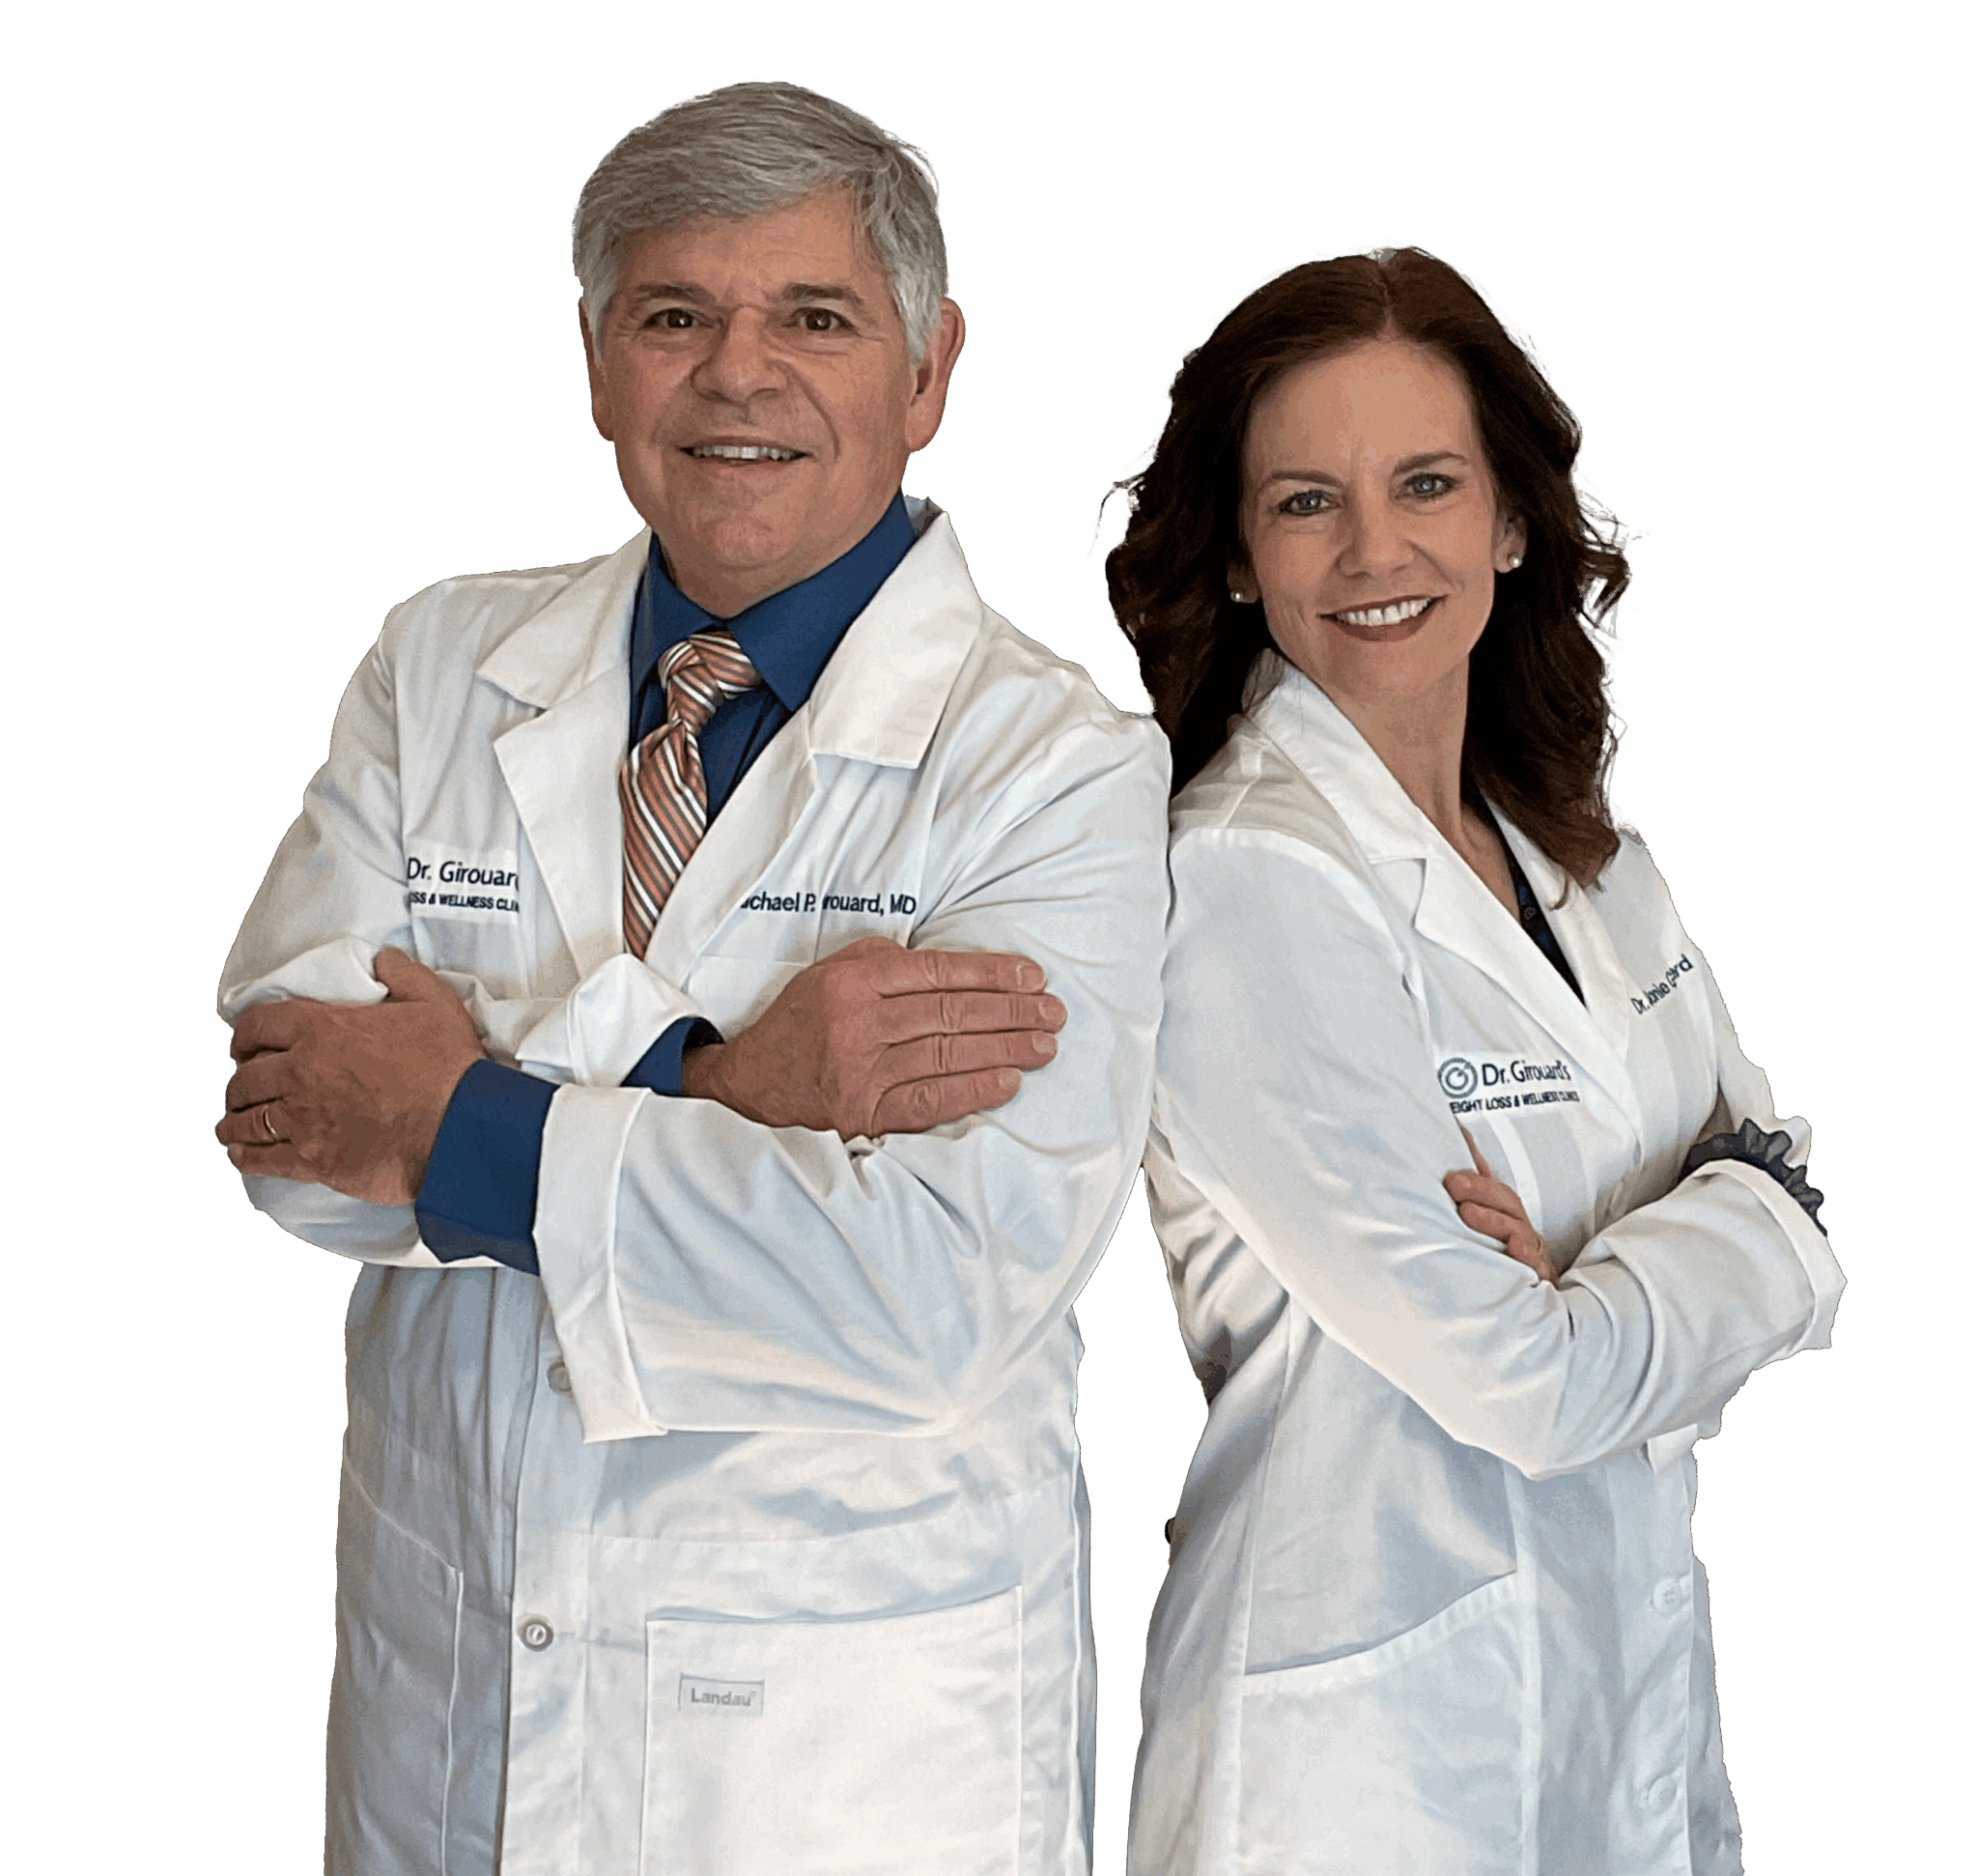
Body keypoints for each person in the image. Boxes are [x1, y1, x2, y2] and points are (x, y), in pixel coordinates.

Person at [212, 80, 1168, 1875]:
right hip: (455, 1705)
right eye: (674, 316)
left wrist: (455, 1118)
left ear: (930, 370)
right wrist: (722, 1087)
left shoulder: (1053, 770)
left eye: (815, 317)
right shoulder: (443, 664)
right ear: (598, 365)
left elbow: (924, 1291)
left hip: (842, 1756)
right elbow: (292, 1126)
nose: (739, 374)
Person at [1104, 245, 1843, 1875]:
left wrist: (1612, 1266)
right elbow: (1531, 1379)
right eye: (1306, 501)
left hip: (1625, 1706)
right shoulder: (1246, 880)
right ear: (1238, 555)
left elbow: (1783, 1181)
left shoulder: (1574, 843)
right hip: (1362, 1767)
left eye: (1427, 483)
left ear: (1511, 521)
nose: (1376, 550)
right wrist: (1710, 1232)